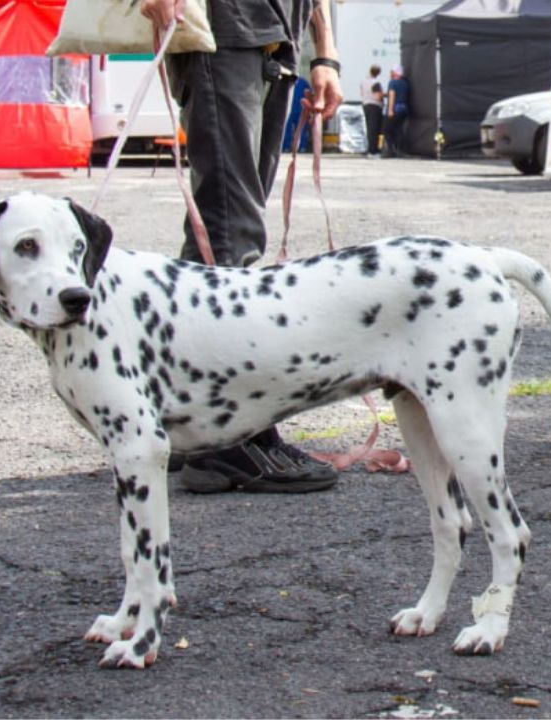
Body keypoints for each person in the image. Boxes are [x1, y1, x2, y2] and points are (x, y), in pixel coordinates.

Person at [141, 0, 344, 493]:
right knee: (231, 236)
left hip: (276, 39)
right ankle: (232, 439)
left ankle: (187, 425)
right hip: (222, 34)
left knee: (217, 236)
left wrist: (325, 53)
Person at [382, 65, 409, 157]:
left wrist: (390, 110)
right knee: (398, 130)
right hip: (404, 109)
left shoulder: (392, 82)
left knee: (386, 129)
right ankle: (399, 150)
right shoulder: (405, 83)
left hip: (395, 108)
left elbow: (392, 95)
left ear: (395, 73)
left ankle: (390, 150)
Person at [363, 81, 384, 156]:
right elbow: (377, 97)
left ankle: (370, 149)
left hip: (366, 106)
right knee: (374, 129)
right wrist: (385, 95)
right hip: (375, 107)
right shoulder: (376, 84)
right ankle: (373, 150)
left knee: (369, 129)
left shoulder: (363, 83)